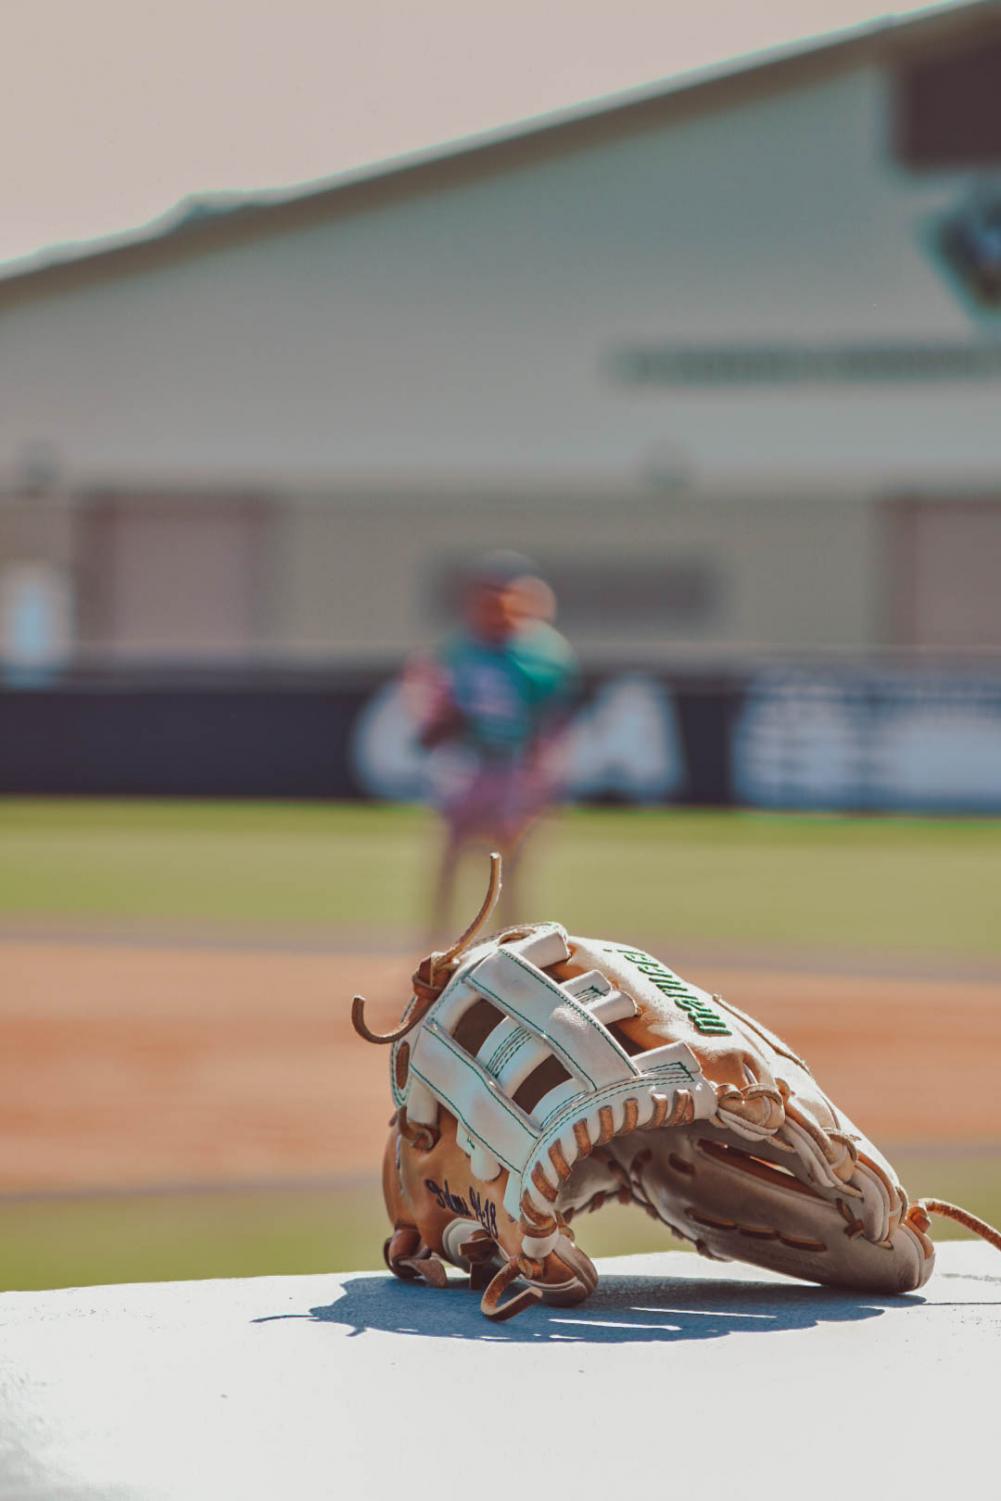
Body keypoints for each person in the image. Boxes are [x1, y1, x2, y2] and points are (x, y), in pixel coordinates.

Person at [407, 551, 578, 937]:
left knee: (510, 868)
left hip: (520, 769)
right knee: (450, 859)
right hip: (471, 765)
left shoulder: (543, 656)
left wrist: (541, 785)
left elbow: (555, 724)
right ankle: (436, 951)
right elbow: (438, 713)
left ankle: (515, 952)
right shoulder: (459, 650)